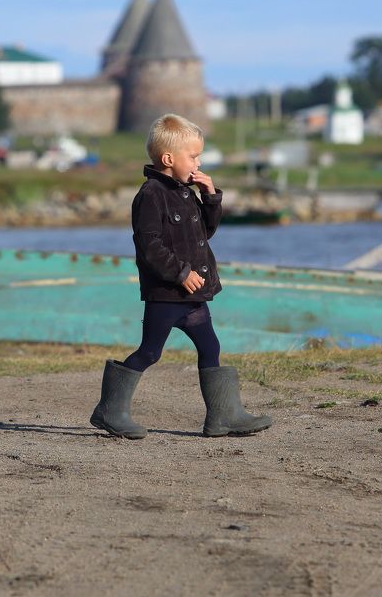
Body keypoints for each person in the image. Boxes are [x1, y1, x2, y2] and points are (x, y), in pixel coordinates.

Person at [90, 113, 273, 439]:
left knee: (210, 346)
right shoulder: (151, 195)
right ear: (168, 159)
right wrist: (181, 274)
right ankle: (110, 410)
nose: (198, 163)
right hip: (167, 294)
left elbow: (205, 233)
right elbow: (149, 246)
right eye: (193, 156)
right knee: (150, 352)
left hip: (192, 296)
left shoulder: (186, 192)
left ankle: (223, 416)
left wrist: (211, 197)